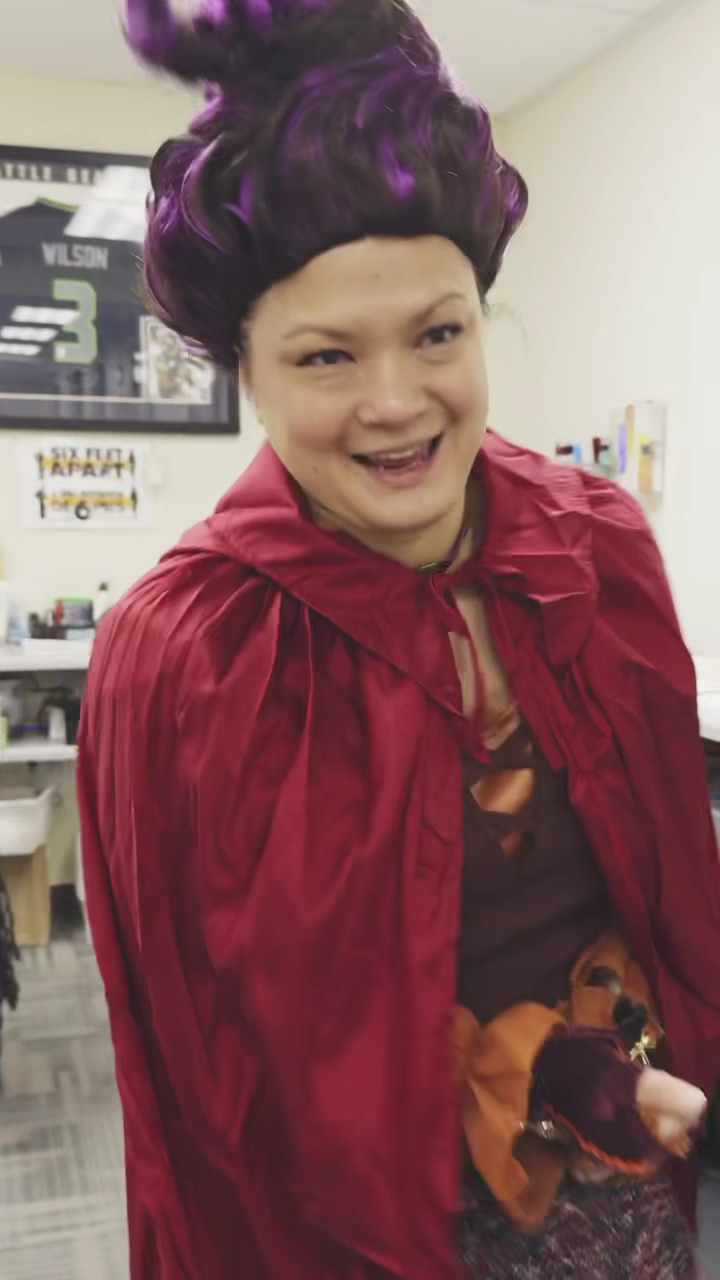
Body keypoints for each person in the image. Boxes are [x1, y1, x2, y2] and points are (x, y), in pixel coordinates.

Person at [78, 2, 720, 1276]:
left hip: (627, 1179)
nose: (395, 401)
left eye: (438, 332)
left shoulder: (595, 549)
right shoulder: (184, 653)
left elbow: (670, 896)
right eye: (326, 356)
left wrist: (616, 1066)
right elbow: (207, 1073)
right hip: (365, 1234)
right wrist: (518, 1073)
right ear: (246, 372)